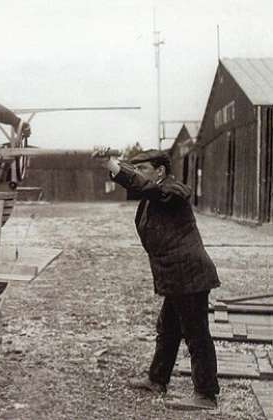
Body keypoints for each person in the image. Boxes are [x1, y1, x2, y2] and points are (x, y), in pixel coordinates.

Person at [95, 149, 220, 410]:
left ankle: (206, 395)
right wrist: (115, 167)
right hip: (176, 277)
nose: (139, 174)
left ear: (160, 171)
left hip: (189, 276)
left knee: (196, 335)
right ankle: (157, 379)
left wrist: (114, 165)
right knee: (168, 329)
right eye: (137, 169)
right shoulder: (153, 195)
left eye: (144, 169)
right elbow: (145, 190)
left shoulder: (174, 190)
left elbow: (153, 190)